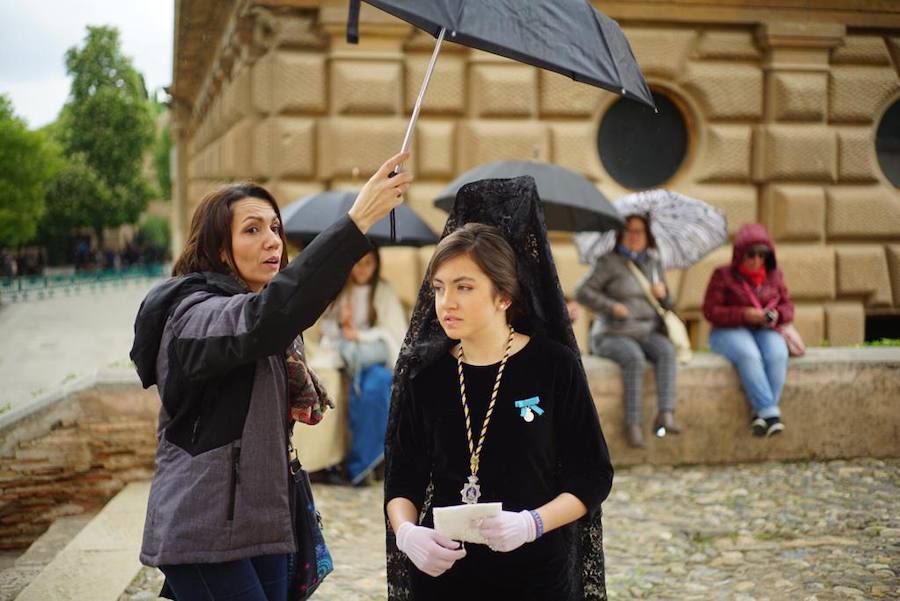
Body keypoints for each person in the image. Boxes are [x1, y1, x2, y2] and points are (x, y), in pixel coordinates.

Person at [129, 151, 412, 601]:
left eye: (275, 228)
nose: (272, 241)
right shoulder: (194, 314)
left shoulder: (262, 314)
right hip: (205, 531)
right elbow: (268, 317)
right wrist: (356, 222)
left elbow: (279, 312)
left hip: (266, 523)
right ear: (220, 249)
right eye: (252, 229)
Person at [383, 176, 613, 601]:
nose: (446, 302)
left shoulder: (551, 365)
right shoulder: (426, 374)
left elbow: (593, 474)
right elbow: (402, 480)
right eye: (438, 288)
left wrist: (533, 524)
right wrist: (408, 533)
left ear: (504, 296)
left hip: (536, 576)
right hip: (444, 577)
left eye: (464, 287)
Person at [574, 214, 680, 448]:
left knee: (666, 351)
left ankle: (665, 414)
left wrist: (663, 295)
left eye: (639, 231)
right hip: (613, 333)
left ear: (647, 235)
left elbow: (669, 306)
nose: (634, 236)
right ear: (620, 234)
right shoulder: (608, 262)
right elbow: (582, 291)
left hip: (646, 330)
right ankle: (633, 425)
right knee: (634, 359)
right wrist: (612, 307)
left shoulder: (653, 263)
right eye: (629, 231)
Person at [318, 246, 407, 485]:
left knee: (374, 387)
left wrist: (359, 335)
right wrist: (343, 326)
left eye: (369, 263)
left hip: (376, 359)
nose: (363, 270)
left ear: (376, 264)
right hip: (345, 357)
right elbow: (326, 332)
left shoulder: (383, 291)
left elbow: (394, 334)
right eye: (358, 263)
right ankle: (356, 465)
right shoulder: (340, 291)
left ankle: (361, 465)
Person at [702, 223, 794, 437]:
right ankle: (771, 413)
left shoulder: (774, 275)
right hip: (728, 331)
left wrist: (777, 315)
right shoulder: (722, 275)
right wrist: (744, 314)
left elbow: (788, 307)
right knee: (749, 354)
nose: (756, 260)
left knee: (778, 354)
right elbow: (710, 311)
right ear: (740, 255)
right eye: (751, 255)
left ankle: (761, 413)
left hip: (764, 330)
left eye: (762, 255)